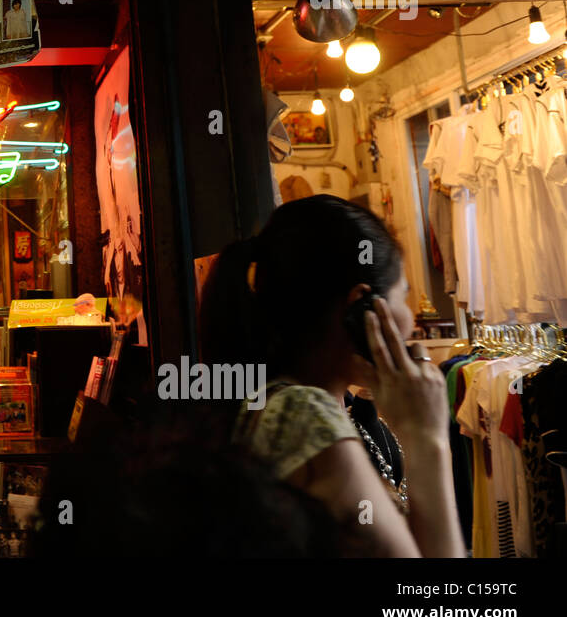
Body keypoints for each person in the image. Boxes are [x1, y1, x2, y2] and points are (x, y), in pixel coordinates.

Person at [198, 194, 466, 557]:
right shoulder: (300, 414)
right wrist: (428, 440)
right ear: (363, 308)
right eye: (403, 296)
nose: (411, 321)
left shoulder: (297, 406)